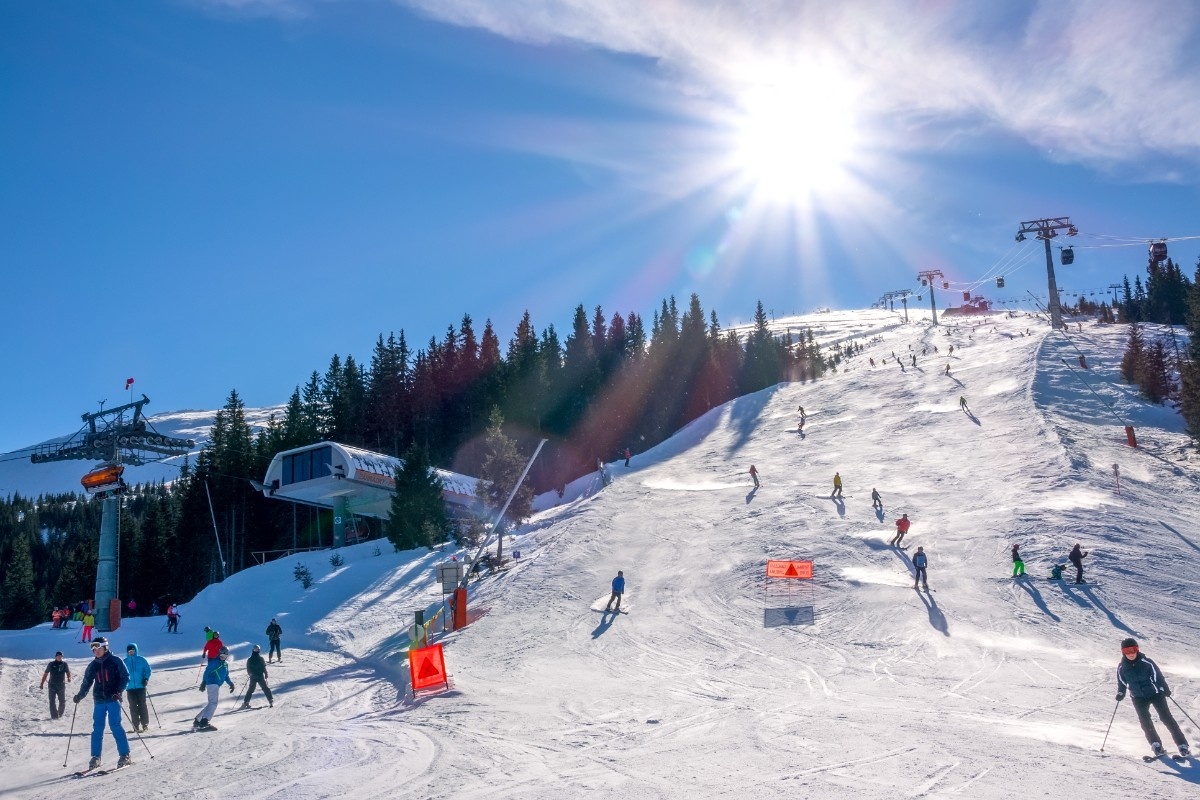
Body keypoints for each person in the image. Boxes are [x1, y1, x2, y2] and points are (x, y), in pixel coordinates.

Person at [1116, 638, 1191, 758]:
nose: (1130, 653)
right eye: (1127, 651)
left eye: (1133, 650)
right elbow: (1121, 682)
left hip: (1155, 694)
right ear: (1123, 652)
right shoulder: (1121, 667)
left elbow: (1158, 676)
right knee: (1145, 721)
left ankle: (1182, 745)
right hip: (1138, 697)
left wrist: (1164, 688)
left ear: (1137, 649)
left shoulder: (1147, 662)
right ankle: (1156, 744)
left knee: (1166, 718)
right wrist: (1121, 693)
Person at [72, 637, 132, 770]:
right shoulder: (93, 665)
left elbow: (125, 676)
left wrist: (119, 691)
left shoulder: (115, 661)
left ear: (105, 647)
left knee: (115, 725)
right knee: (97, 728)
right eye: (93, 649)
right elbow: (87, 682)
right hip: (99, 700)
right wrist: (80, 696)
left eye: (98, 648)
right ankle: (96, 757)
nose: (96, 651)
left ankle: (125, 755)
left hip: (113, 698)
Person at [195, 646, 235, 730]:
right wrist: (203, 682)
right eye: (221, 655)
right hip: (212, 683)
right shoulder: (214, 662)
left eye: (224, 656)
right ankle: (205, 722)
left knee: (211, 703)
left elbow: (226, 676)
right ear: (219, 653)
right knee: (213, 703)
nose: (222, 657)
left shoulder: (225, 664)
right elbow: (206, 672)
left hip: (216, 685)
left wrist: (231, 684)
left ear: (227, 656)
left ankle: (198, 719)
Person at [123, 642, 152, 733]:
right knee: (133, 706)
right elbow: (121, 673)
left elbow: (148, 670)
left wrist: (146, 678)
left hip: (141, 686)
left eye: (132, 651)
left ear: (135, 651)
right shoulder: (124, 662)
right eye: (129, 651)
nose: (131, 653)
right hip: (130, 688)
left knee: (142, 705)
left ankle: (145, 724)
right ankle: (135, 725)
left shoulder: (141, 660)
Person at [40, 650, 72, 719]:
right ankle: (54, 716)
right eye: (58, 656)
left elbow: (68, 672)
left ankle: (60, 714)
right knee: (52, 701)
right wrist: (42, 683)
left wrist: (69, 678)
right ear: (55, 657)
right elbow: (46, 674)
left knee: (62, 701)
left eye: (61, 656)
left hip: (61, 686)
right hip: (52, 685)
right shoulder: (51, 664)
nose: (59, 657)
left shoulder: (64, 664)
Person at [242, 644, 274, 708]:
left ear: (252, 650)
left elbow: (248, 668)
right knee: (265, 688)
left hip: (253, 676)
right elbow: (263, 667)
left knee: (251, 689)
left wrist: (250, 674)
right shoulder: (260, 658)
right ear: (259, 651)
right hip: (259, 676)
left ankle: (246, 702)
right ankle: (270, 700)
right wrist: (266, 673)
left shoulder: (250, 659)